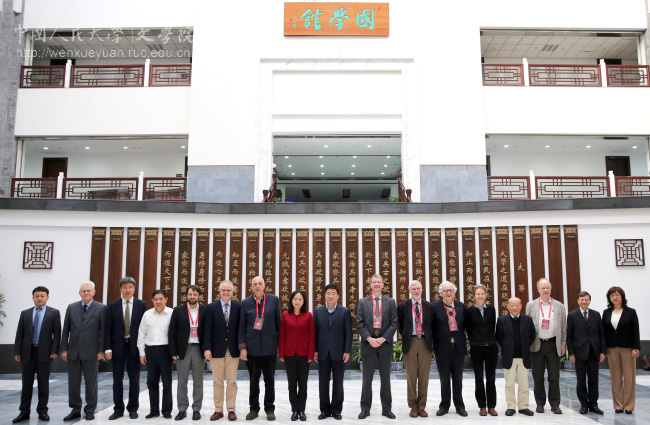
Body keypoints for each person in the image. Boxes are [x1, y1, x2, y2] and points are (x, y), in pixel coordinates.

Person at [12, 286, 61, 424]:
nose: (39, 298)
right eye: (37, 296)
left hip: (45, 353)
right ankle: (24, 412)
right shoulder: (25, 313)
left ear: (47, 297)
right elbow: (19, 334)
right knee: (26, 384)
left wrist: (55, 350)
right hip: (27, 353)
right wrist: (17, 351)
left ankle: (42, 411)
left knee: (43, 384)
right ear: (33, 297)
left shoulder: (53, 313)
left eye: (42, 296)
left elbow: (57, 334)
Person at [60, 281, 106, 421]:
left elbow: (103, 332)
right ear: (79, 293)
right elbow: (65, 330)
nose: (86, 293)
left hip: (91, 351)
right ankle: (75, 409)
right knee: (73, 382)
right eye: (83, 291)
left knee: (91, 383)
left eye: (88, 290)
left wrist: (101, 350)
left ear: (94, 292)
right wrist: (64, 349)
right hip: (73, 351)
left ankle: (90, 409)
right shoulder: (71, 307)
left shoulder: (101, 308)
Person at [238, 276, 282, 421]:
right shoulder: (246, 302)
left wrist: (279, 345)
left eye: (260, 284)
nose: (257, 286)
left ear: (264, 285)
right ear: (251, 287)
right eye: (255, 284)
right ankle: (253, 409)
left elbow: (278, 323)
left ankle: (269, 409)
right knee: (253, 381)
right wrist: (242, 347)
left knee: (269, 380)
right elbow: (242, 326)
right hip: (252, 349)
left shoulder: (273, 300)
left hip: (270, 347)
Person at [104, 277, 147, 420]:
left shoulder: (142, 305)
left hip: (134, 347)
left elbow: (144, 328)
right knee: (117, 380)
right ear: (120, 289)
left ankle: (133, 408)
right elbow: (108, 329)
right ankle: (118, 409)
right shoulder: (113, 305)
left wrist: (143, 349)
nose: (127, 290)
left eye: (130, 287)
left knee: (134, 379)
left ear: (134, 289)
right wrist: (107, 348)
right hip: (117, 346)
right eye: (124, 287)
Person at [356, 274, 398, 420]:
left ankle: (387, 409)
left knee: (385, 379)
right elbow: (359, 323)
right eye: (374, 282)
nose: (376, 284)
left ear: (383, 285)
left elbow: (394, 323)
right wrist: (369, 339)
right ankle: (365, 409)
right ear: (370, 285)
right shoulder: (363, 302)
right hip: (368, 345)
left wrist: (383, 338)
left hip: (384, 345)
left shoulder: (390, 302)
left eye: (379, 282)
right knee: (367, 379)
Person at [525, 278, 566, 414]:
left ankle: (555, 404)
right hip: (537, 344)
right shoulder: (531, 305)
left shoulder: (559, 306)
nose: (545, 290)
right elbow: (527, 326)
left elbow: (563, 327)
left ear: (551, 289)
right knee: (538, 377)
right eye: (543, 288)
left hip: (553, 344)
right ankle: (540, 403)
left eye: (547, 287)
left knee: (554, 377)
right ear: (538, 289)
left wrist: (563, 344)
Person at [313, 284, 352, 421]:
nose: (330, 296)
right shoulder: (318, 311)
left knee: (338, 383)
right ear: (324, 295)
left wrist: (347, 351)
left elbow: (348, 333)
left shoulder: (345, 311)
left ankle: (336, 410)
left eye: (333, 293)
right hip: (323, 353)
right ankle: (324, 410)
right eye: (328, 293)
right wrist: (315, 350)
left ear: (338, 296)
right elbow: (315, 333)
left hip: (339, 353)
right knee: (323, 383)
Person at [204, 280, 241, 421]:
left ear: (232, 292)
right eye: (223, 290)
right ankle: (218, 410)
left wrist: (242, 347)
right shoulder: (211, 307)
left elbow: (240, 329)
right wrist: (207, 348)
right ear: (219, 291)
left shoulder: (238, 307)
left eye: (228, 290)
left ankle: (231, 409)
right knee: (217, 382)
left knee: (232, 382)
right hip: (216, 349)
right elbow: (207, 329)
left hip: (233, 349)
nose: (226, 292)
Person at [169, 285, 207, 421]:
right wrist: (173, 351)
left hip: (198, 348)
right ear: (186, 295)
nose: (192, 297)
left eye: (195, 294)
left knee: (198, 380)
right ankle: (182, 409)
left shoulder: (205, 310)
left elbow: (207, 331)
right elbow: (172, 332)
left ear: (199, 296)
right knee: (182, 380)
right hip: (182, 349)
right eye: (190, 294)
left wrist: (207, 349)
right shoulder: (178, 310)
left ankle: (196, 409)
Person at [397, 280, 433, 418]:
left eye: (418, 288)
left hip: (424, 342)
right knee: (411, 376)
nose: (416, 291)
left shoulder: (429, 306)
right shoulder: (403, 306)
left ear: (422, 290)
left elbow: (433, 324)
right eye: (413, 289)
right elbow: (400, 325)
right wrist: (406, 336)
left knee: (424, 377)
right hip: (410, 342)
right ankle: (413, 406)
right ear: (409, 291)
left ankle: (422, 406)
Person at [431, 281, 467, 417]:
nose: (448, 293)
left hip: (458, 348)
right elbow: (431, 326)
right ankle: (444, 405)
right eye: (445, 291)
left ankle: (459, 406)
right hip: (442, 348)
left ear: (454, 292)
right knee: (444, 379)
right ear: (441, 293)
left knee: (458, 379)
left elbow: (465, 325)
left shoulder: (461, 306)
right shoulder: (434, 307)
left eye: (451, 290)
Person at [602, 286, 640, 414]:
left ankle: (629, 405)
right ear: (609, 298)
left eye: (617, 295)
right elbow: (603, 332)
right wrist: (604, 349)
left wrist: (636, 347)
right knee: (615, 377)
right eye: (612, 295)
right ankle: (618, 404)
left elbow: (636, 331)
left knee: (629, 377)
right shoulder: (606, 313)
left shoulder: (631, 312)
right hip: (612, 349)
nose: (615, 297)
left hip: (627, 348)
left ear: (622, 297)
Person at [566, 291, 606, 415]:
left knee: (594, 379)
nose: (584, 302)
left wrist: (602, 351)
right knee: (581, 379)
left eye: (586, 300)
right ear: (578, 301)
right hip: (579, 352)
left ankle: (593, 404)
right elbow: (569, 336)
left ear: (589, 301)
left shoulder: (596, 314)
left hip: (594, 351)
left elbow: (601, 334)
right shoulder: (572, 315)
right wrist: (571, 353)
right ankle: (584, 404)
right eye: (582, 299)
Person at [495, 297, 536, 417]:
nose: (514, 307)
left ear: (521, 306)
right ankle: (511, 406)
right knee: (509, 384)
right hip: (509, 357)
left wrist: (524, 346)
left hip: (524, 357)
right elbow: (498, 337)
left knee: (524, 384)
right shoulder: (501, 320)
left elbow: (532, 336)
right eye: (512, 305)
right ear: (507, 306)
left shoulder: (527, 319)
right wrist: (506, 348)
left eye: (517, 305)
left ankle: (523, 406)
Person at [137, 290, 174, 419]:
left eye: (161, 299)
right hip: (150, 350)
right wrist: (142, 352)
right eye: (156, 299)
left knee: (167, 382)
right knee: (151, 382)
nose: (158, 302)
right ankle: (154, 410)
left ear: (166, 299)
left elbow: (175, 334)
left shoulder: (171, 313)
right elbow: (141, 334)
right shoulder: (147, 314)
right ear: (152, 300)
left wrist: (174, 353)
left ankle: (167, 410)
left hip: (166, 350)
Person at [279, 290, 315, 421]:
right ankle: (294, 410)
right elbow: (282, 335)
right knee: (292, 384)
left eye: (300, 299)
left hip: (304, 354)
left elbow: (312, 336)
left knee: (303, 384)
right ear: (291, 301)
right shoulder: (285, 315)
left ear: (303, 301)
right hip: (289, 354)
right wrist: (281, 353)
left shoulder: (308, 315)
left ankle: (302, 410)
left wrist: (310, 354)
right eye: (295, 299)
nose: (297, 301)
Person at [465, 284, 498, 416]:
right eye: (478, 294)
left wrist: (490, 341)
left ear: (486, 295)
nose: (480, 296)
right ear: (473, 296)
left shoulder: (491, 309)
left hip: (491, 347)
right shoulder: (469, 311)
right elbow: (469, 329)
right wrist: (475, 341)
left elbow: (492, 326)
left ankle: (491, 406)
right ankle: (482, 406)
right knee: (478, 378)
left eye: (482, 294)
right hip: (476, 348)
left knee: (491, 378)